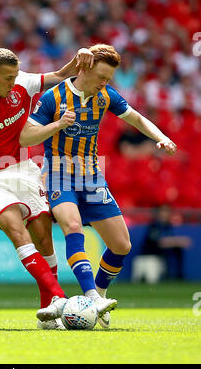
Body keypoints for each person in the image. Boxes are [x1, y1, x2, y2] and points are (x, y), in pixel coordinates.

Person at [0, 46, 113, 330]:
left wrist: (82, 53)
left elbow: (63, 74)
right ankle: (60, 299)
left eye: (16, 77)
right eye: (7, 79)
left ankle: (47, 310)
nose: (14, 83)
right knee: (17, 232)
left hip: (27, 171)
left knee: (43, 238)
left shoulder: (22, 82)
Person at [20, 43, 177, 328]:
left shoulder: (105, 96)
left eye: (108, 79)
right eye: (101, 77)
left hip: (91, 176)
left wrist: (161, 137)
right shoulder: (53, 97)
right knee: (73, 226)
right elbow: (25, 138)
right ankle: (91, 295)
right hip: (58, 172)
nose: (104, 83)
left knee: (122, 244)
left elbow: (136, 118)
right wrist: (56, 125)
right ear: (85, 68)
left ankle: (100, 294)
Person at [142, 205, 191, 280]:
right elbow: (160, 242)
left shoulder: (168, 225)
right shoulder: (154, 225)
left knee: (177, 250)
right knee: (171, 249)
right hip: (152, 252)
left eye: (167, 211)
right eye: (163, 211)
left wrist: (176, 242)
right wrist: (179, 241)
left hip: (163, 252)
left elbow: (169, 239)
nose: (165, 214)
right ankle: (167, 276)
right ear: (158, 213)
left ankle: (179, 275)